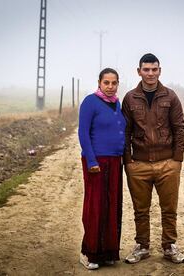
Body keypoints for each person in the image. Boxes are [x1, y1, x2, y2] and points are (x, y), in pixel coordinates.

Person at [122, 53, 184, 264]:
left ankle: (169, 247)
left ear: (160, 70)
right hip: (138, 164)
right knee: (141, 210)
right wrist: (128, 161)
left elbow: (179, 128)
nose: (151, 73)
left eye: (154, 69)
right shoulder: (130, 98)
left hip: (168, 163)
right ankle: (142, 247)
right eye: (146, 69)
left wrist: (177, 159)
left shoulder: (170, 96)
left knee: (169, 208)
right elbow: (125, 131)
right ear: (139, 71)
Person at [78, 68, 126, 270]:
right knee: (95, 206)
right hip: (96, 161)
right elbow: (83, 132)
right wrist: (91, 160)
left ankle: (107, 252)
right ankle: (89, 253)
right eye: (106, 82)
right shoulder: (90, 102)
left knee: (112, 205)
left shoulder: (117, 103)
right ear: (99, 82)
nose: (110, 86)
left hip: (115, 161)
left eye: (114, 83)